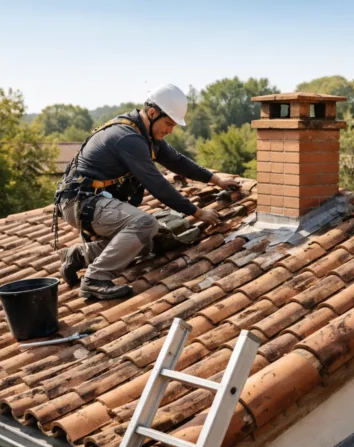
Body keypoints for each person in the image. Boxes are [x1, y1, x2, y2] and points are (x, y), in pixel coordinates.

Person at [54, 84, 239, 300]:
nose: (170, 130)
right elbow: (157, 184)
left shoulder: (145, 135)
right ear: (152, 113)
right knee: (145, 224)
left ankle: (78, 256)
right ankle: (95, 279)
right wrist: (197, 213)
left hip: (90, 202)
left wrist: (217, 180)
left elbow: (177, 161)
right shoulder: (128, 138)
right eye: (168, 123)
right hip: (81, 202)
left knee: (147, 241)